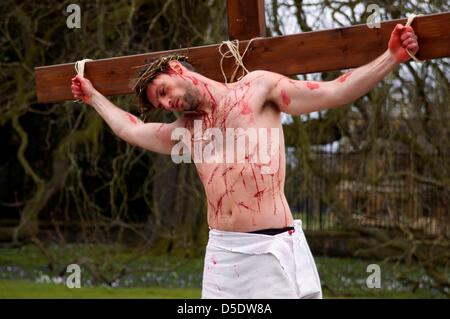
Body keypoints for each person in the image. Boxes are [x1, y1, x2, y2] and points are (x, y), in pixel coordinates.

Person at [71, 24, 418, 298]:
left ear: (176, 69)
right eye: (160, 105)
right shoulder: (186, 132)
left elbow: (335, 91)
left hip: (270, 248)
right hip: (223, 251)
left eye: (163, 92)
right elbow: (130, 129)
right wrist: (93, 97)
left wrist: (391, 56)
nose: (167, 105)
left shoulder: (257, 90)